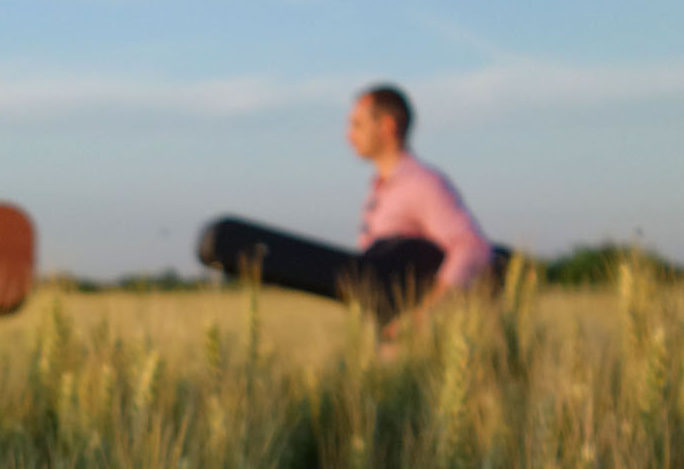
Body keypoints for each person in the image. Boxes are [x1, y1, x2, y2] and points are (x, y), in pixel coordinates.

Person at [197, 84, 505, 343]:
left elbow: (472, 247)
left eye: (357, 124)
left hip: (423, 342)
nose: (348, 136)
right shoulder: (381, 189)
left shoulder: (422, 183)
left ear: (387, 126)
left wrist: (426, 315)